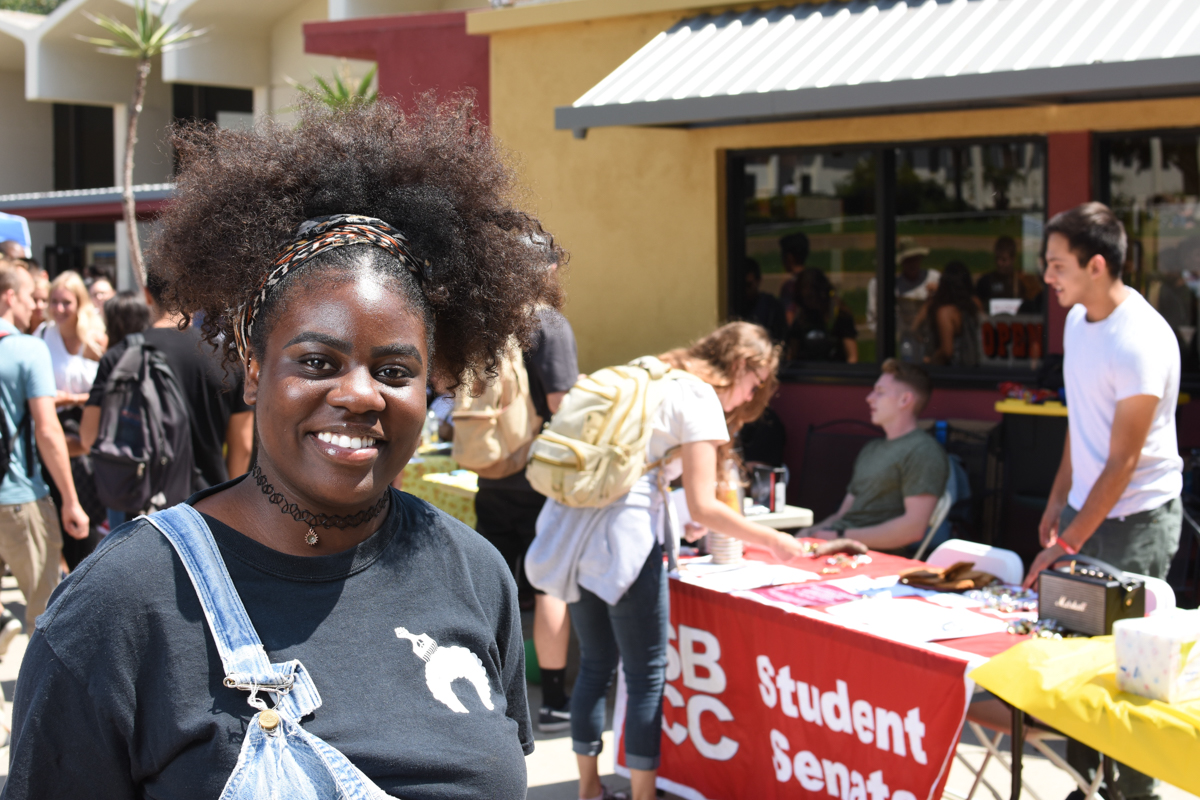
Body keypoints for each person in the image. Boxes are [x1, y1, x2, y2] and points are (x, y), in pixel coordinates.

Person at [6, 98, 559, 798]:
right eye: (318, 362)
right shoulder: (120, 607)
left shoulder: (476, 578)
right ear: (254, 365)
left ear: (432, 384)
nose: (360, 395)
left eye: (394, 372)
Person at [527, 322, 803, 800]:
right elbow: (704, 507)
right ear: (740, 366)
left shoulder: (648, 373)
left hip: (576, 528)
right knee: (646, 674)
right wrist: (775, 541)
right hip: (628, 541)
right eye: (754, 385)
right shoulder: (697, 398)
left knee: (595, 665)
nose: (748, 397)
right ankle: (643, 795)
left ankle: (589, 788)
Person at [1022, 202, 1182, 800]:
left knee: (1131, 665)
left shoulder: (1140, 338)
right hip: (1084, 512)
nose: (1047, 277)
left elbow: (1123, 462)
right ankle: (1085, 786)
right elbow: (1081, 422)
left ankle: (1137, 792)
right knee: (1072, 656)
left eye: (1056, 264)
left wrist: (1067, 541)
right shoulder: (1076, 320)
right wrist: (1058, 497)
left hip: (1137, 518)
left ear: (1095, 264)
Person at [472, 273, 580, 733]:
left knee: (493, 591)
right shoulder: (547, 323)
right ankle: (554, 703)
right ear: (548, 271)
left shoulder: (488, 321)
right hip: (537, 477)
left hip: (490, 470)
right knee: (550, 588)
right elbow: (562, 401)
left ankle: (486, 697)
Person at [81, 272, 255, 494]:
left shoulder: (120, 355)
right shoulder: (226, 360)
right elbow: (243, 446)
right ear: (193, 297)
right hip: (206, 502)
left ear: (146, 295)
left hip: (138, 501)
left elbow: (88, 436)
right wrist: (228, 498)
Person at [0, 262, 88, 649]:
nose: (36, 307)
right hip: (20, 495)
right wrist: (71, 500)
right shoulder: (27, 348)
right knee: (45, 613)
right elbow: (47, 429)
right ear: (9, 296)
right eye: (31, 298)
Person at [810, 359, 948, 551]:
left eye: (880, 392)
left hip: (867, 557)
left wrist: (839, 537)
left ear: (905, 400)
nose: (869, 398)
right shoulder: (871, 448)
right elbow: (843, 515)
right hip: (833, 544)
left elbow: (913, 529)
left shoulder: (923, 451)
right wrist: (807, 534)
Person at [34, 271, 106, 569]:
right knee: (62, 515)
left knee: (90, 516)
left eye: (66, 302)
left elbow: (106, 388)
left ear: (80, 304)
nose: (59, 309)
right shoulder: (41, 335)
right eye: (54, 302)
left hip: (89, 431)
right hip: (54, 427)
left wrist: (73, 399)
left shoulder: (95, 337)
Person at [785, 267, 858, 363]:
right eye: (804, 298)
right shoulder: (801, 318)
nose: (808, 302)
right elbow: (792, 355)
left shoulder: (840, 315)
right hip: (806, 373)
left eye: (811, 297)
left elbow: (852, 357)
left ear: (822, 293)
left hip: (835, 372)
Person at [917, 260, 983, 366]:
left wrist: (930, 362)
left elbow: (947, 351)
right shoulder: (975, 304)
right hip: (975, 368)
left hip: (954, 371)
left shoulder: (945, 313)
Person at [740, 258, 787, 342]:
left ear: (758, 281)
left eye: (749, 285)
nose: (745, 290)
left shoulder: (771, 307)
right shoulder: (734, 305)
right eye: (742, 285)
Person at [975, 235, 1020, 309]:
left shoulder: (1021, 281)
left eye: (1004, 259)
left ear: (1013, 259)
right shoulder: (985, 282)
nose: (999, 263)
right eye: (997, 258)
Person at [777, 232, 809, 324]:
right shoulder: (816, 280)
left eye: (782, 255)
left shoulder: (790, 286)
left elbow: (789, 319)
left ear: (789, 257)